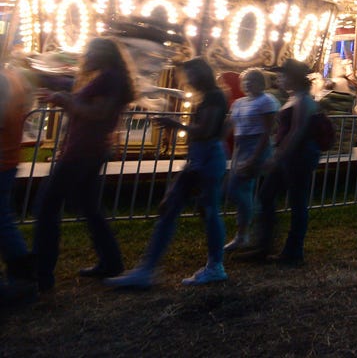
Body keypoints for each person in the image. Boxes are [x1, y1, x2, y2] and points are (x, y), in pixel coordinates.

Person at [107, 58, 230, 288]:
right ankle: (150, 268)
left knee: (201, 211)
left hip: (205, 161)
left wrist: (176, 125)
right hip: (203, 159)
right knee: (182, 209)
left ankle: (154, 269)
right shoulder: (210, 96)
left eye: (190, 73)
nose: (187, 78)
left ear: (201, 73)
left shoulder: (214, 96)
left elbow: (206, 131)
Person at [33, 37, 136, 291]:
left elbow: (97, 114)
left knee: (47, 205)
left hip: (82, 150)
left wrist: (64, 99)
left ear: (101, 54)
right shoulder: (112, 78)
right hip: (91, 148)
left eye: (89, 52)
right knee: (90, 207)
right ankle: (111, 262)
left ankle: (41, 272)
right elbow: (92, 111)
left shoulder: (109, 79)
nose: (84, 56)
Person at [243, 59, 321, 266]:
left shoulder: (303, 100)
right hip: (288, 156)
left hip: (297, 158)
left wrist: (277, 155)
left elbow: (297, 130)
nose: (279, 78)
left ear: (292, 77)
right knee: (267, 195)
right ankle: (265, 244)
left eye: (282, 75)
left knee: (296, 202)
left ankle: (293, 251)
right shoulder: (294, 98)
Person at [224, 68, 279, 252]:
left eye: (252, 79)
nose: (248, 83)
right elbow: (230, 125)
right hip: (241, 146)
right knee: (240, 190)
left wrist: (255, 156)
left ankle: (249, 226)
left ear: (260, 82)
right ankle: (245, 231)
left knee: (237, 188)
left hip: (256, 146)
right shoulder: (238, 103)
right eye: (245, 80)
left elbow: (267, 130)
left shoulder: (266, 101)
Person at [1, 67, 35, 297]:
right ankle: (22, 275)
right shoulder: (14, 79)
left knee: (3, 221)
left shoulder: (5, 82)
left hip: (2, 158)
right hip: (8, 158)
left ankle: (23, 278)